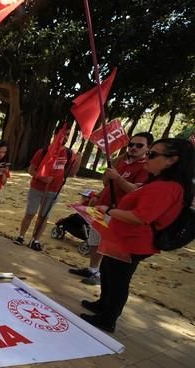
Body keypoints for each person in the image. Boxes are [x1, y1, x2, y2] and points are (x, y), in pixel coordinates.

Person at [80, 138, 193, 333]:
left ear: (171, 160)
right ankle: (103, 304)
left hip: (134, 242)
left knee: (118, 279)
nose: (147, 157)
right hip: (122, 238)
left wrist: (109, 211)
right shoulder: (159, 181)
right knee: (107, 270)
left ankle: (108, 318)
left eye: (152, 154)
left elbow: (140, 217)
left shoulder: (167, 187)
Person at [69, 132, 152, 285]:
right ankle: (92, 269)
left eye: (139, 145)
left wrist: (118, 177)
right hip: (101, 208)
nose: (133, 148)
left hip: (115, 211)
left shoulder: (145, 167)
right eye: (131, 144)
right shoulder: (122, 162)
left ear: (148, 148)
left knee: (106, 244)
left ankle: (100, 275)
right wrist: (97, 195)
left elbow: (136, 191)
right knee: (94, 240)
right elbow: (108, 185)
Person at [14, 135, 80, 251]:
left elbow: (70, 173)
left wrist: (78, 160)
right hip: (37, 188)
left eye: (68, 136)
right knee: (30, 213)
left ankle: (35, 240)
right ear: (56, 135)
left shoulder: (68, 154)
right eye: (63, 134)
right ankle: (21, 236)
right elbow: (31, 170)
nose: (65, 138)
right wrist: (42, 178)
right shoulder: (43, 151)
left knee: (44, 217)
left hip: (54, 190)